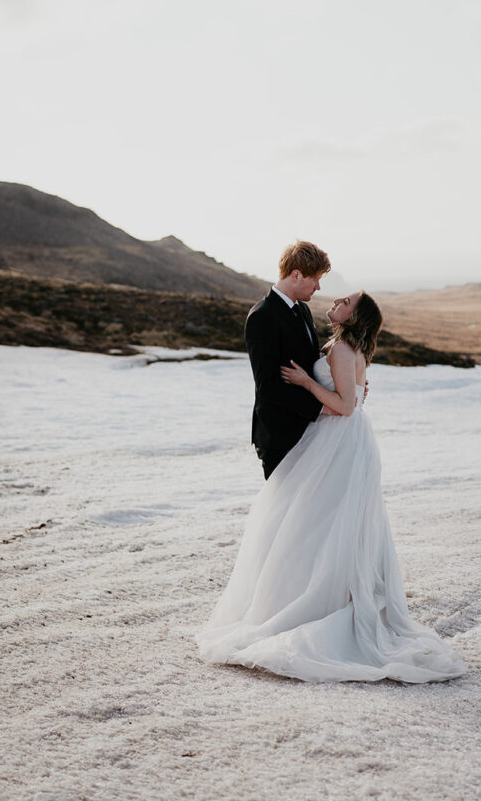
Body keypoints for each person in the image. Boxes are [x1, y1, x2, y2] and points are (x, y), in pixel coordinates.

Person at [195, 280, 466, 684]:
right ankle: (322, 596)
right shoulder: (343, 345)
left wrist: (307, 382)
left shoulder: (340, 347)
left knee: (313, 522)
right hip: (343, 441)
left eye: (346, 301)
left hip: (336, 442)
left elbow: (341, 406)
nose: (336, 300)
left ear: (354, 317)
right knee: (324, 524)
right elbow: (350, 394)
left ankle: (314, 604)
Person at [243, 240, 332, 480]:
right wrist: (324, 408)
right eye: (315, 279)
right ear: (296, 275)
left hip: (308, 431)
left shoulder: (302, 310)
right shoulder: (262, 316)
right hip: (280, 436)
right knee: (284, 515)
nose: (319, 287)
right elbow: (269, 385)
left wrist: (344, 387)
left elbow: (310, 363)